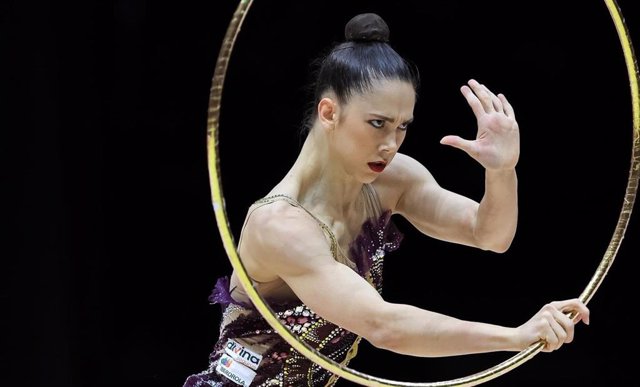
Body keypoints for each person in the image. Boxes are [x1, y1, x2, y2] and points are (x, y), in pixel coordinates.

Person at [183, 12, 590, 387]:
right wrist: (515, 336)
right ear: (329, 113)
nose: (391, 144)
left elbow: (489, 234)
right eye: (377, 124)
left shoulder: (391, 180)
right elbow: (384, 326)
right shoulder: (280, 226)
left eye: (402, 127)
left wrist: (501, 171)